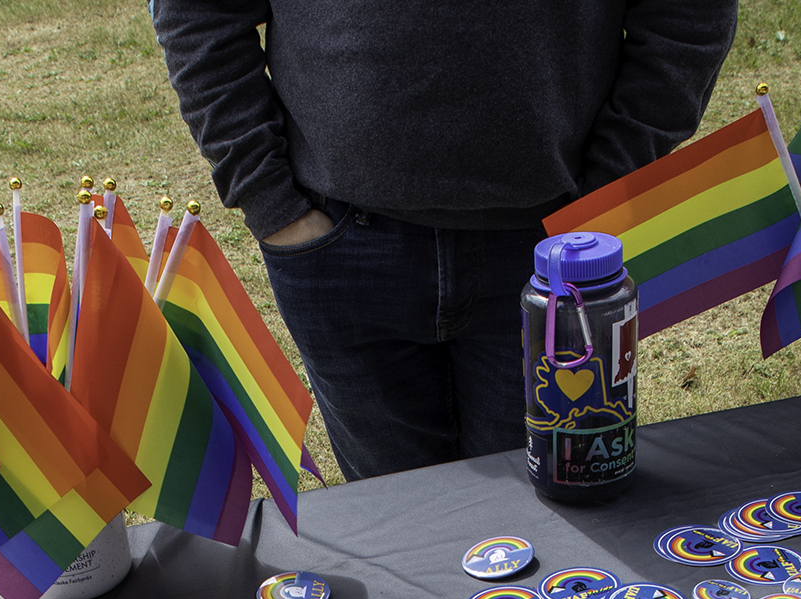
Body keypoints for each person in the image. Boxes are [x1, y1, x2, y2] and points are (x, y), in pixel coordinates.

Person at [152, 0, 740, 483]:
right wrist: (273, 205)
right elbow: (195, 12)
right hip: (338, 252)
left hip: (553, 255)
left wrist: (608, 189)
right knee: (406, 535)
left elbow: (688, 17)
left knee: (547, 542)